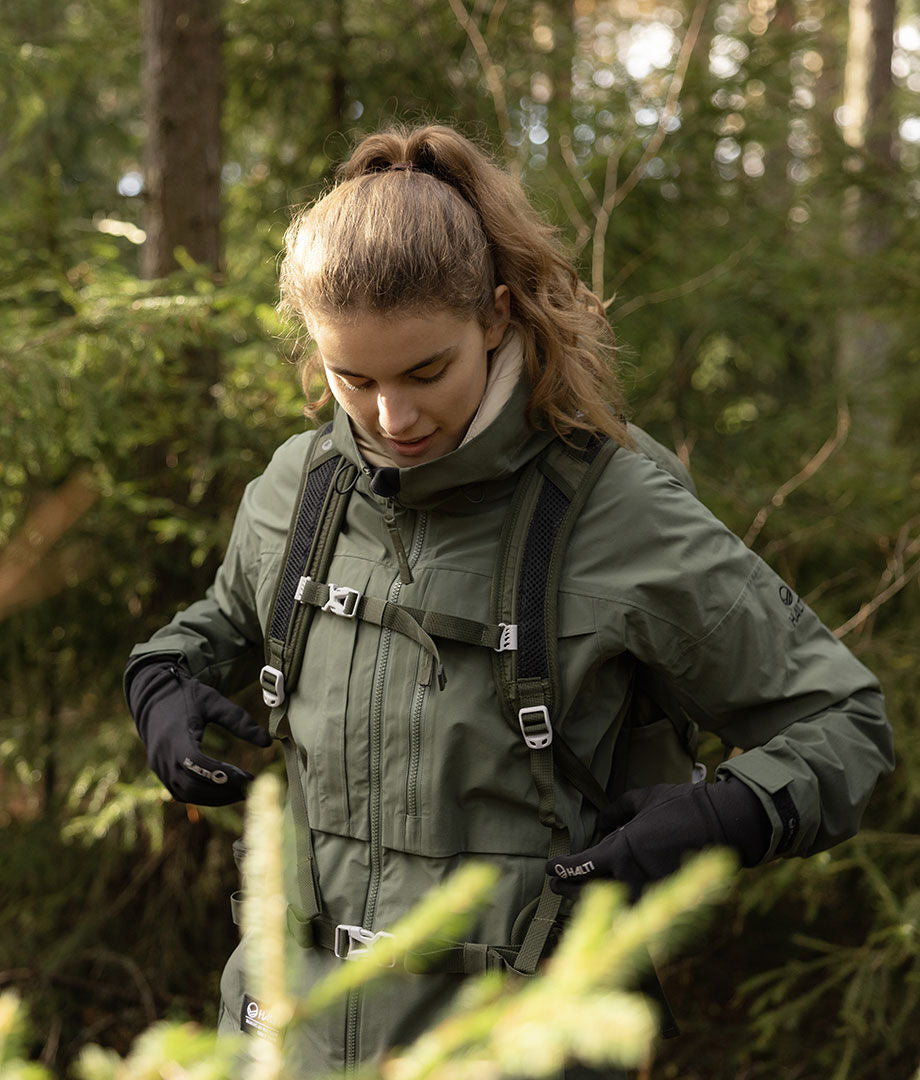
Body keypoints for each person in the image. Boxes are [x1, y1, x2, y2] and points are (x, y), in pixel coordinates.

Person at [124, 123, 894, 1077]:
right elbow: (214, 628)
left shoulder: (621, 508)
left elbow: (846, 722)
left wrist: (724, 815)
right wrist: (159, 683)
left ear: (495, 316)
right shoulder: (301, 486)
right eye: (352, 379)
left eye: (425, 372)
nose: (391, 419)